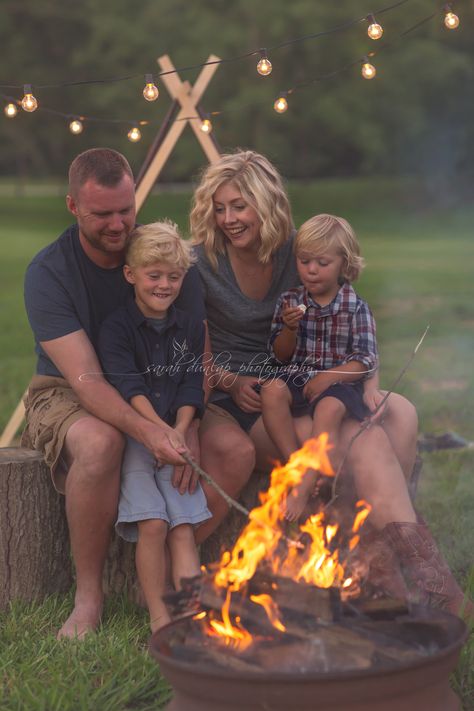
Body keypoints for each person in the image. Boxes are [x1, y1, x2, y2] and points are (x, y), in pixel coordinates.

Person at [190, 149, 473, 619]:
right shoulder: (202, 263)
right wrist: (231, 377)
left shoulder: (300, 252)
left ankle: (377, 557)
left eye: (239, 206)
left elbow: (356, 319)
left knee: (398, 411)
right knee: (363, 441)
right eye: (219, 208)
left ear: (267, 203)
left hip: (310, 384)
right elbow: (188, 350)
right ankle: (417, 578)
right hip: (250, 400)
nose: (228, 219)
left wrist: (368, 387)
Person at [22, 148, 206, 639]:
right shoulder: (49, 273)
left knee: (228, 449)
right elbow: (87, 380)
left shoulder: (163, 261)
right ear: (73, 207)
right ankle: (90, 594)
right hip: (67, 388)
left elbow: (194, 355)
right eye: (101, 213)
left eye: (126, 209)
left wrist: (189, 427)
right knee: (103, 442)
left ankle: (168, 567)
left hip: (163, 384)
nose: (117, 223)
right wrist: (148, 431)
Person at [97, 222, 211, 631]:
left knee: (182, 528)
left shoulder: (189, 327)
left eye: (174, 277)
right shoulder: (116, 329)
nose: (164, 284)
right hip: (135, 441)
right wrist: (157, 432)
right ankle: (160, 619)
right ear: (131, 275)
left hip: (176, 437)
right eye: (154, 275)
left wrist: (179, 431)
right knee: (154, 522)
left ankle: (194, 616)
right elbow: (128, 386)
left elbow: (190, 384)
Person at [261, 213, 379, 521]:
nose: (311, 270)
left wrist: (329, 376)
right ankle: (296, 468)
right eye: (304, 261)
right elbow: (279, 357)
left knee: (328, 409)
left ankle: (309, 481)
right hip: (298, 377)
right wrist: (288, 330)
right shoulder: (290, 301)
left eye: (322, 263)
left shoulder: (355, 307)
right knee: (271, 389)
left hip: (339, 386)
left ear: (344, 264)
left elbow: (366, 359)